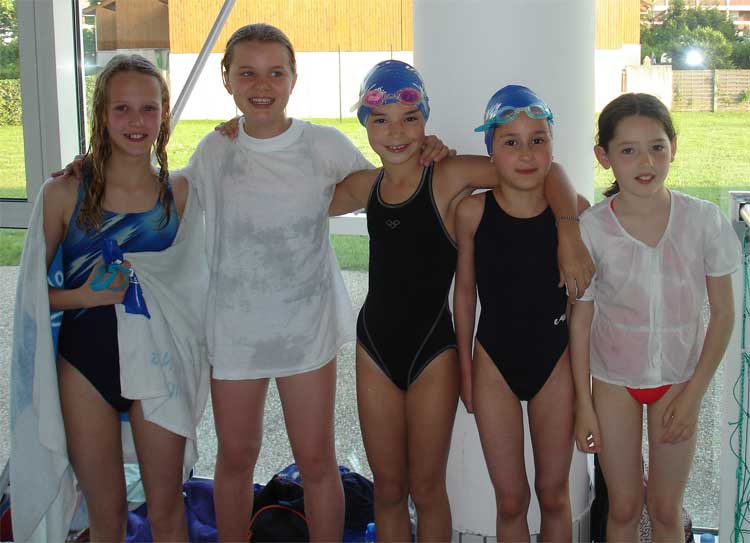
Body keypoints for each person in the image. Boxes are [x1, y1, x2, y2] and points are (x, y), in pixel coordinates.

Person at [181, 25, 455, 542]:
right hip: (234, 332)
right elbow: (172, 196)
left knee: (316, 460)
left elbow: (392, 180)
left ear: (293, 77)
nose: (262, 84)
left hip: (305, 331)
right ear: (227, 80)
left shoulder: (322, 145)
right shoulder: (216, 150)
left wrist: (429, 150)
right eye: (247, 73)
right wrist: (103, 173)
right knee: (235, 458)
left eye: (275, 72)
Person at [333, 66, 592, 541]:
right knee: (388, 490)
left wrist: (569, 228)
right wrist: (249, 135)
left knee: (428, 488)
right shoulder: (363, 185)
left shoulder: (449, 175)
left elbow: (543, 169)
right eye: (381, 120)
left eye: (410, 119)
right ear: (364, 124)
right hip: (374, 347)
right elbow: (302, 196)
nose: (396, 132)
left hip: (435, 348)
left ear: (425, 120)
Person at [11, 54, 209, 542]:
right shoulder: (63, 194)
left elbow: (197, 287)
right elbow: (31, 300)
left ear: (164, 114)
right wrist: (83, 294)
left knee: (167, 510)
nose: (136, 121)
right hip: (84, 367)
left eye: (148, 108)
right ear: (101, 114)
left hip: (160, 364)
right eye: (122, 109)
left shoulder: (182, 195)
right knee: (106, 516)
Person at [570, 93, 740, 542]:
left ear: (673, 148)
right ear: (604, 157)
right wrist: (583, 404)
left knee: (666, 509)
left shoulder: (702, 221)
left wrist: (694, 394)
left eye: (657, 147)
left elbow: (724, 313)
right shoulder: (592, 229)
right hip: (613, 384)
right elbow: (580, 320)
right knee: (624, 507)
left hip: (680, 382)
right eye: (628, 150)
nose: (645, 162)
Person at [453, 85, 589, 542]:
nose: (527, 153)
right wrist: (465, 368)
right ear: (491, 151)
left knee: (553, 495)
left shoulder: (575, 214)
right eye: (511, 142)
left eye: (538, 140)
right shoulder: (473, 212)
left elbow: (585, 307)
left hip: (555, 362)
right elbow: (465, 294)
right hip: (493, 363)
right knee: (510, 500)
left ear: (552, 146)